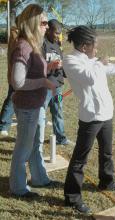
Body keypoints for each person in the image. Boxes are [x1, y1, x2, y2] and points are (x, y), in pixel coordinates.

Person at [62, 26, 115, 214]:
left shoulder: (92, 60)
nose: (97, 49)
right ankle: (72, 197)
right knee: (80, 159)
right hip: (90, 117)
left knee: (107, 152)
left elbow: (114, 69)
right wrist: (99, 63)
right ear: (85, 46)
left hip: (106, 114)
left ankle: (107, 182)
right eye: (95, 45)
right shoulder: (70, 60)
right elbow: (89, 79)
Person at [9, 4, 60, 198]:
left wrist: (48, 67)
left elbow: (31, 70)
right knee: (23, 148)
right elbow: (18, 82)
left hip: (35, 105)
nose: (47, 26)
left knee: (35, 145)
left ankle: (39, 178)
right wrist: (45, 81)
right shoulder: (24, 46)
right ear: (33, 23)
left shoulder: (32, 44)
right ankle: (18, 188)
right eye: (44, 23)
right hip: (27, 107)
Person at [42, 19, 68, 145]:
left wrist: (65, 70)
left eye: (60, 33)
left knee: (58, 111)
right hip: (45, 87)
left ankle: (60, 138)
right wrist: (52, 65)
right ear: (48, 30)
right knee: (40, 113)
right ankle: (37, 139)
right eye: (56, 33)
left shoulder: (58, 46)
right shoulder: (42, 44)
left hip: (57, 87)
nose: (58, 36)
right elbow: (38, 67)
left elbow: (62, 64)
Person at [0, 15, 20, 136]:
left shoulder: (17, 34)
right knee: (12, 98)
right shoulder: (15, 34)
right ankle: (3, 124)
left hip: (18, 72)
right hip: (15, 72)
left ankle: (4, 123)